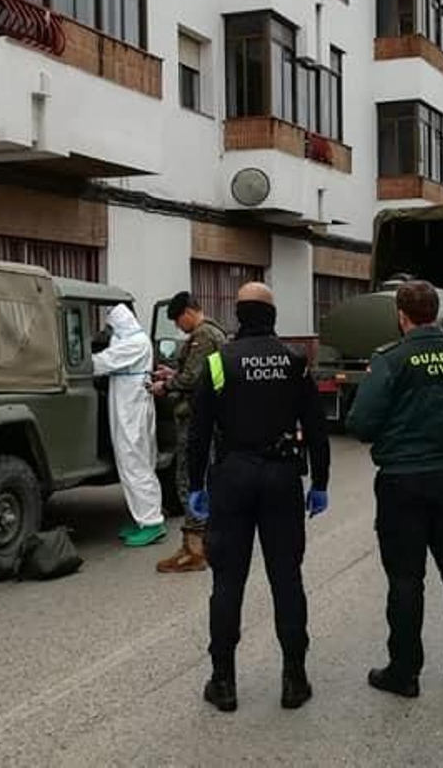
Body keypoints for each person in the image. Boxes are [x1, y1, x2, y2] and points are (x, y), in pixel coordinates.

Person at [185, 282, 330, 713]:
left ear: (238, 314)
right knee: (287, 578)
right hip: (282, 477)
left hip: (231, 479)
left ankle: (224, 682)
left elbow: (198, 433)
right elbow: (317, 428)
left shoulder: (216, 363)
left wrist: (196, 486)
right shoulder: (295, 362)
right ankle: (294, 679)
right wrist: (319, 482)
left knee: (228, 581)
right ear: (272, 316)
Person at [347, 280, 443, 698]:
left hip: (401, 482)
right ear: (437, 313)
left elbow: (361, 424)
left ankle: (404, 672)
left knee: (406, 579)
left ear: (401, 315)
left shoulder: (391, 360)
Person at [149, 292, 228, 573]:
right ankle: (204, 543)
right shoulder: (214, 332)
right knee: (202, 478)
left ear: (187, 313)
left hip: (196, 419)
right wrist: (173, 375)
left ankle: (195, 550)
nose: (178, 327)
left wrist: (166, 386)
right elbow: (203, 374)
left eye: (177, 320)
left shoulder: (203, 336)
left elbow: (194, 378)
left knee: (189, 480)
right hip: (208, 418)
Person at [92, 304, 165, 548]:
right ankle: (142, 518)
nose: (110, 331)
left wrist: (79, 359)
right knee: (132, 462)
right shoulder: (129, 339)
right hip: (128, 404)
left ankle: (152, 522)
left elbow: (104, 362)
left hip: (131, 408)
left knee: (135, 462)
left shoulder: (135, 342)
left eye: (112, 326)